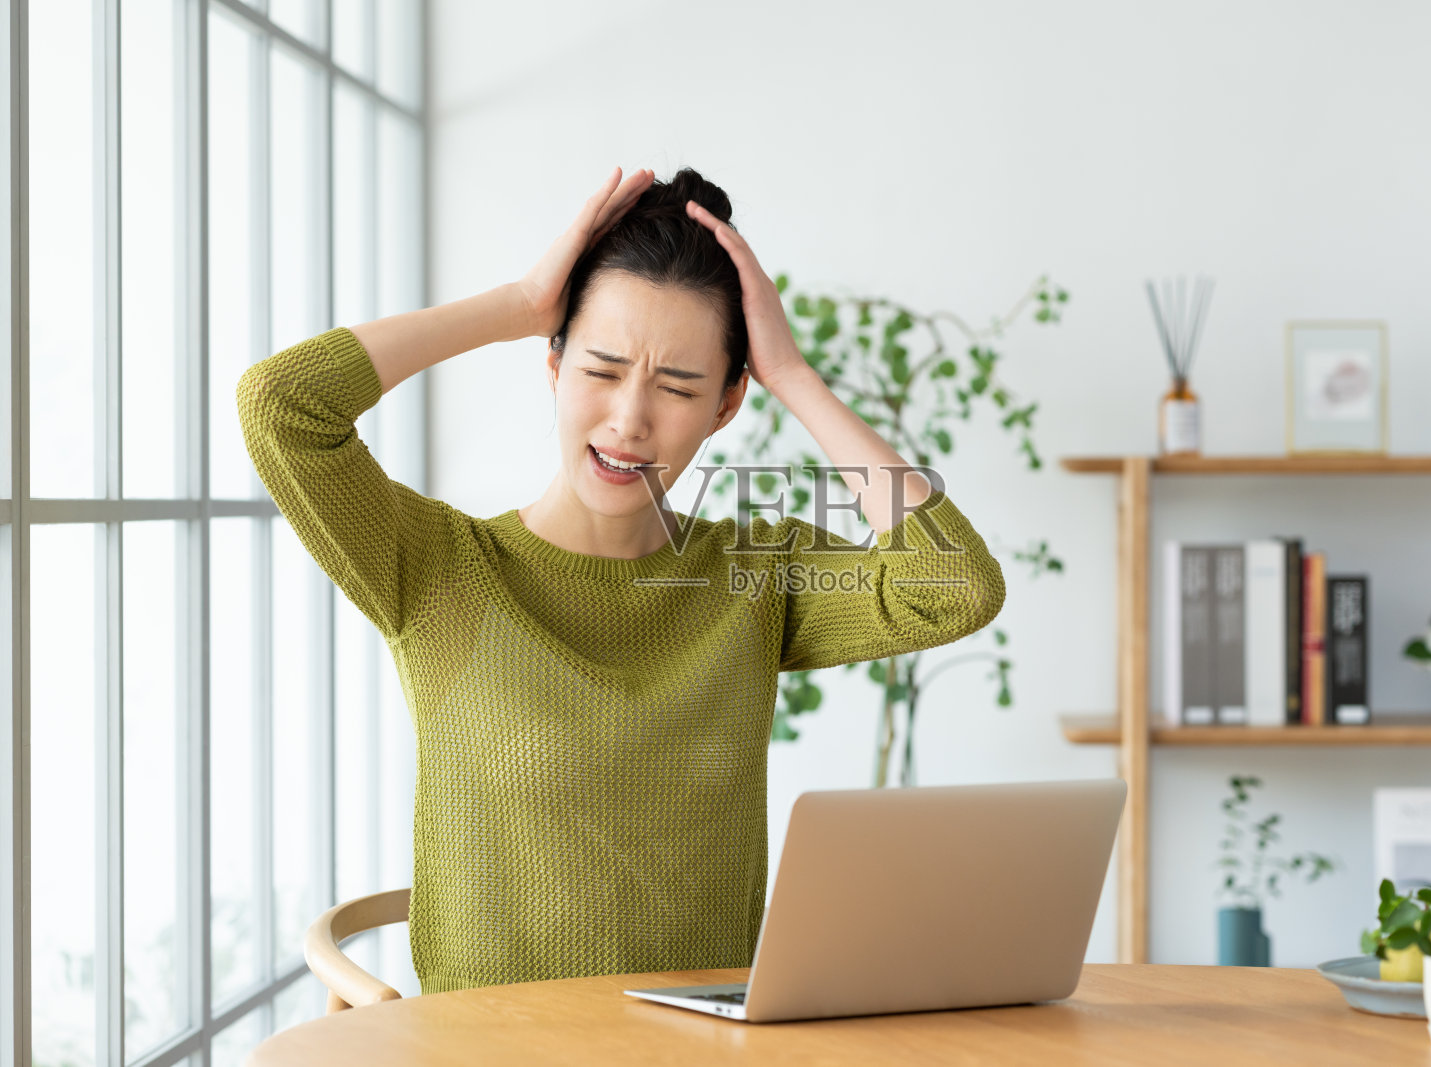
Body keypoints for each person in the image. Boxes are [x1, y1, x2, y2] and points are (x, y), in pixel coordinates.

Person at [236, 165, 1007, 994]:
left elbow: (955, 584)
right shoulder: (437, 570)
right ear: (554, 365)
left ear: (726, 403)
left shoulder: (756, 577)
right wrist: (517, 303)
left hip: (701, 1052)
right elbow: (281, 405)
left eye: (678, 386)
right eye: (601, 370)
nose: (630, 420)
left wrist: (795, 377)